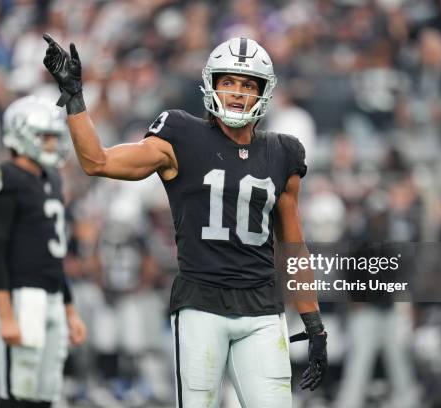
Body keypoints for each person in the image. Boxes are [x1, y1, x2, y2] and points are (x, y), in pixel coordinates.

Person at [43, 35, 328, 407]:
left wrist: (314, 323)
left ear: (264, 93)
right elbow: (97, 161)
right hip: (201, 307)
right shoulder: (180, 133)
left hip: (262, 310)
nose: (238, 93)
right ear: (212, 85)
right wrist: (76, 98)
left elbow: (293, 248)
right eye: (228, 82)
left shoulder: (282, 152)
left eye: (247, 85)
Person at [0, 96, 87, 408]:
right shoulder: (3, 177)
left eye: (54, 137)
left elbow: (54, 254)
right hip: (21, 294)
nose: (52, 144)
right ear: (21, 134)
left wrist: (69, 309)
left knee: (46, 390)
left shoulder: (52, 178)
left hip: (52, 292)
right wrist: (5, 315)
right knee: (19, 389)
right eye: (46, 137)